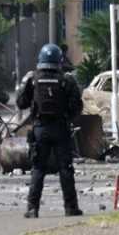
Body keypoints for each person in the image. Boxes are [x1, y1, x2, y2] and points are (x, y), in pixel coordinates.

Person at [16, 44, 83, 218]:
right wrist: (67, 116)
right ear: (59, 60)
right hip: (61, 128)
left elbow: (21, 103)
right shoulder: (67, 79)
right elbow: (77, 107)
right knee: (65, 169)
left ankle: (32, 209)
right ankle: (71, 208)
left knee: (38, 169)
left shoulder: (32, 79)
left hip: (40, 129)